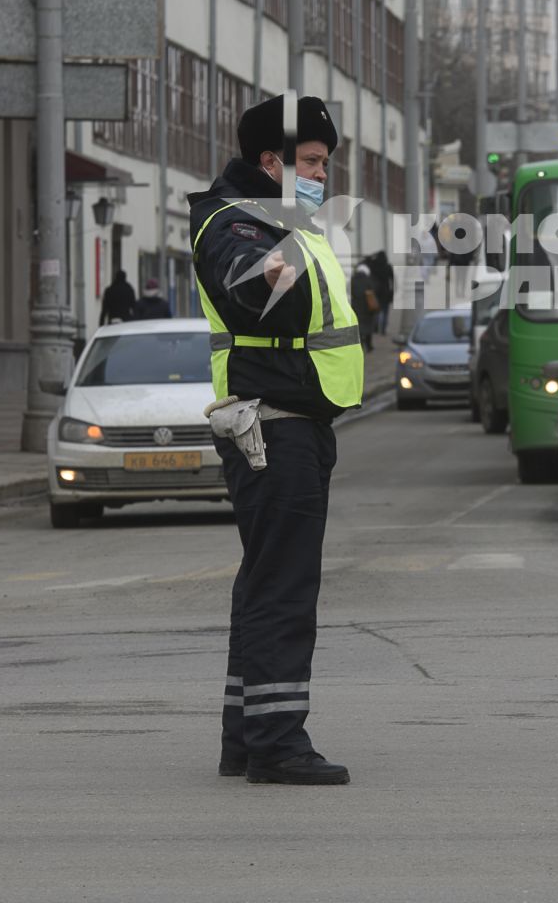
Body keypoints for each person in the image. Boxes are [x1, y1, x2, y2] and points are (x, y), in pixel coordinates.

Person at [191, 95, 363, 787]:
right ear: (271, 162)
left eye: (326, 162)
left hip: (296, 424)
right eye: (312, 162)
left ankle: (247, 737)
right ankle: (278, 743)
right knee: (283, 591)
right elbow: (247, 285)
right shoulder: (236, 222)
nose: (323, 175)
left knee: (266, 585)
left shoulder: (291, 220)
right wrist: (268, 272)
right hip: (272, 426)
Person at [350, 256, 378, 352]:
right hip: (367, 308)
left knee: (359, 327)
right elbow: (373, 291)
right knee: (368, 327)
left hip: (356, 307)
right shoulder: (368, 280)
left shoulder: (353, 279)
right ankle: (369, 346)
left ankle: (360, 345)